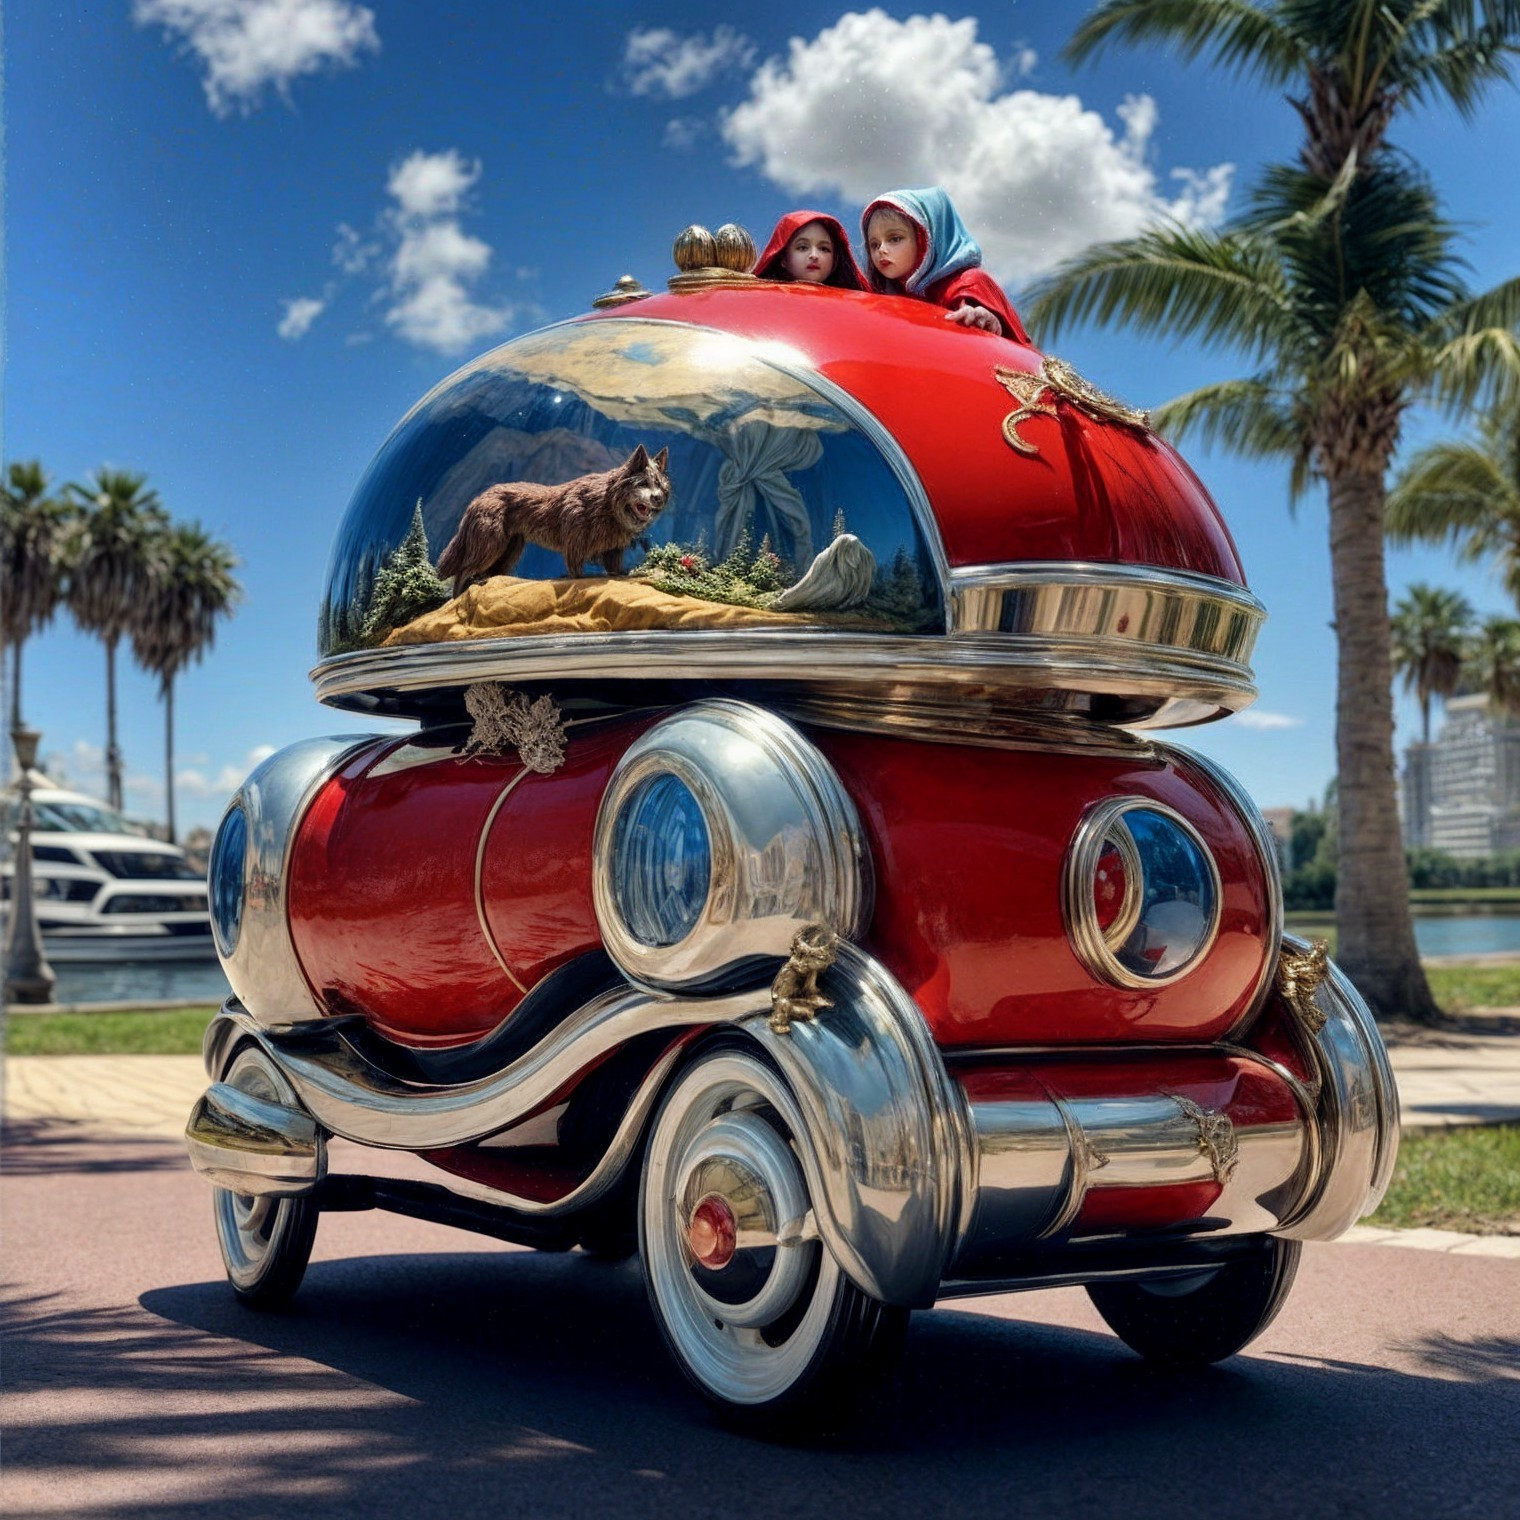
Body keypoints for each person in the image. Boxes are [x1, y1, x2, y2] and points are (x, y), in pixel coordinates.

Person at [860, 187, 1031, 342]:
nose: (881, 250)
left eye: (895, 239)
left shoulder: (971, 283)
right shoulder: (884, 298)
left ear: (926, 239)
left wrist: (988, 322)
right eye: (874, 244)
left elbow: (1014, 355)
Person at [752, 210, 866, 289]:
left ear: (835, 261)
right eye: (802, 247)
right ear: (783, 259)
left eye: (823, 249)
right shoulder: (763, 300)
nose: (814, 255)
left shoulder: (853, 305)